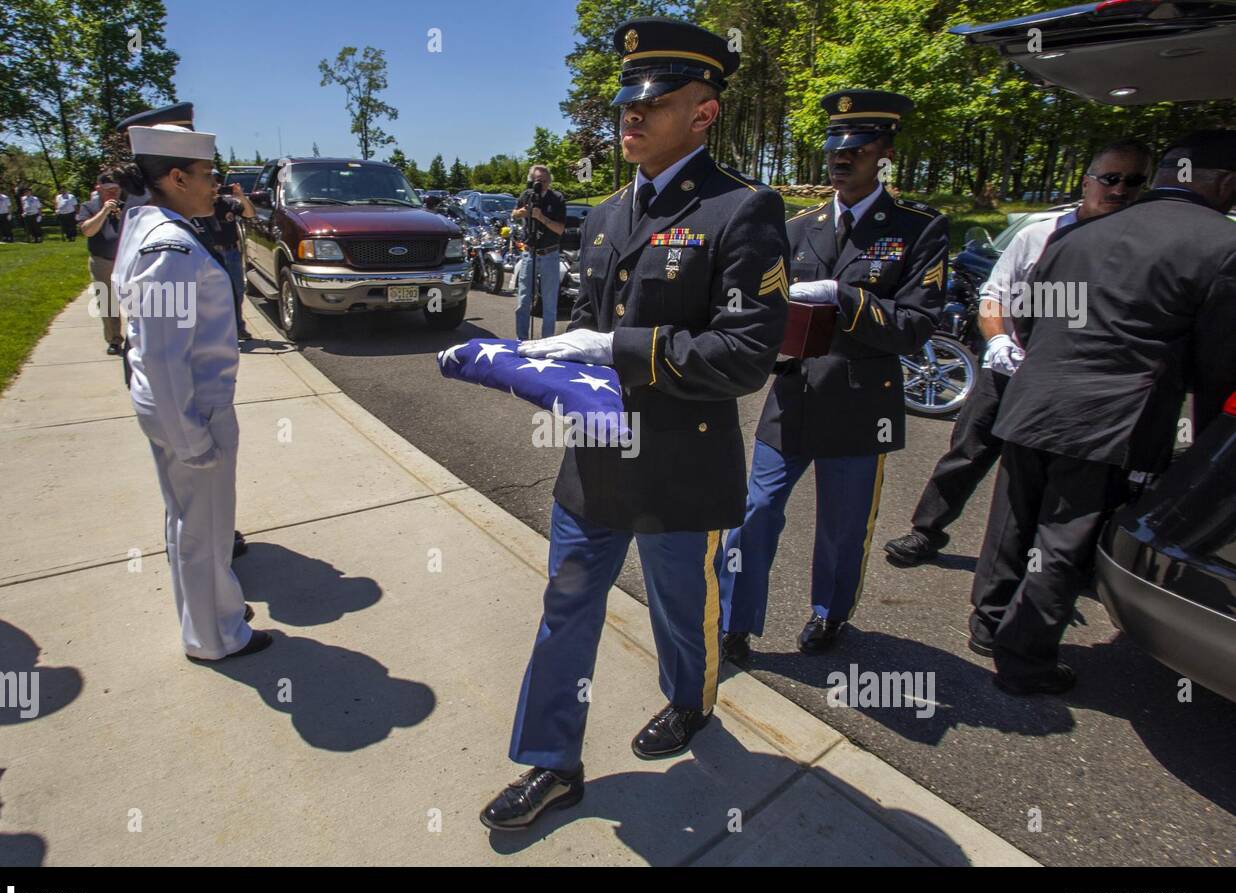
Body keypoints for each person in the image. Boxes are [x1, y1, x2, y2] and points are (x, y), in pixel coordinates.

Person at [478, 17, 788, 830]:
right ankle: (551, 764)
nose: (632, 116)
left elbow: (748, 353)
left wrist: (618, 346)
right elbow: (586, 325)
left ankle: (690, 701)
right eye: (627, 102)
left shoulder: (741, 210)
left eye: (654, 103)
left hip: (683, 465)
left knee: (680, 609)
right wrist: (542, 369)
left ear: (704, 114)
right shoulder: (606, 213)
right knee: (566, 607)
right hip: (596, 459)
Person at [970, 129, 1236, 696]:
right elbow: (1218, 362)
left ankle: (989, 622)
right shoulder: (1223, 245)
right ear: (1226, 184)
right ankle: (1024, 661)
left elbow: (1031, 320)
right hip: (1113, 418)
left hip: (1033, 400)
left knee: (1012, 523)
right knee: (1063, 540)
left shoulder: (1077, 232)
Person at [718, 90, 948, 665]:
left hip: (860, 404)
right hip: (793, 396)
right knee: (755, 513)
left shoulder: (918, 229)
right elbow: (765, 310)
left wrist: (844, 297)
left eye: (859, 149)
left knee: (844, 527)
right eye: (836, 148)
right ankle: (734, 620)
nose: (842, 159)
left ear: (885, 155)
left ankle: (829, 613)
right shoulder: (798, 229)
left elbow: (916, 325)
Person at [884, 141, 1152, 568]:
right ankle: (925, 531)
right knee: (968, 453)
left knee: (1054, 476)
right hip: (1011, 368)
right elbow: (995, 295)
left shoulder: (1144, 245)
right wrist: (998, 342)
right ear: (1087, 183)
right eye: (1111, 179)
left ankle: (1048, 561)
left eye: (1134, 181)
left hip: (1080, 382)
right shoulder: (1040, 234)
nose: (1120, 189)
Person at [111, 119, 271, 663]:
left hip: (178, 407)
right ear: (177, 177)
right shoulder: (172, 248)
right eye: (208, 174)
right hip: (192, 410)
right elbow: (161, 355)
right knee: (204, 529)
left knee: (189, 523)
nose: (217, 185)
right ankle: (215, 636)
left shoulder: (147, 227)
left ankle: (210, 614)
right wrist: (191, 438)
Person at [192, 170, 256, 341]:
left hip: (232, 253)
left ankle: (238, 327)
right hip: (210, 254)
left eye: (217, 183)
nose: (215, 187)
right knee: (213, 294)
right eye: (211, 183)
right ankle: (217, 329)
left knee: (237, 291)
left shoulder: (228, 203)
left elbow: (250, 213)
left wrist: (241, 196)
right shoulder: (197, 206)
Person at [510, 164, 567, 339]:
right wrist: (520, 213)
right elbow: (514, 214)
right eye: (535, 180)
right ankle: (521, 340)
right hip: (529, 252)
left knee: (549, 303)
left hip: (550, 254)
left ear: (549, 182)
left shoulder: (557, 198)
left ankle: (546, 342)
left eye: (542, 180)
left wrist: (541, 217)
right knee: (523, 299)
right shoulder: (526, 196)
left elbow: (560, 229)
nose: (539, 184)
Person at [78, 172, 128, 354]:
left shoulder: (129, 207)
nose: (113, 193)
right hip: (102, 261)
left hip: (126, 260)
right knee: (107, 302)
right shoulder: (89, 207)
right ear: (98, 188)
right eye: (109, 190)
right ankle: (114, 339)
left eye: (116, 189)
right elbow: (88, 231)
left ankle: (138, 338)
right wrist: (104, 211)